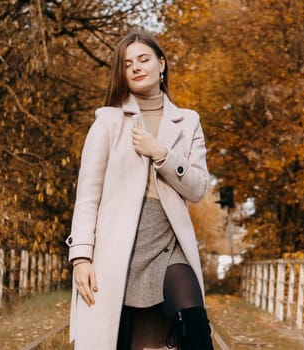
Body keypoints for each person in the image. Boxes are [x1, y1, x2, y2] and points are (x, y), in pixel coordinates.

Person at [66, 29, 213, 350]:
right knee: (122, 340)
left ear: (161, 65)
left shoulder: (188, 122)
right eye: (127, 63)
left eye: (143, 59)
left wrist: (161, 153)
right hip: (118, 247)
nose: (135, 67)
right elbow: (87, 197)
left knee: (195, 324)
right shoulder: (107, 121)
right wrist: (81, 258)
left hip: (169, 242)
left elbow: (199, 188)